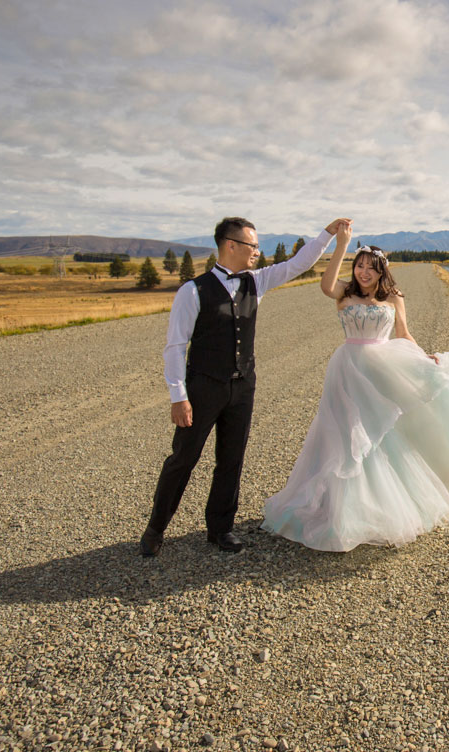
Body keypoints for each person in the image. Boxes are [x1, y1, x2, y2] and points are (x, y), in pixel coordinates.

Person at [262, 227, 449, 551]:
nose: (363, 272)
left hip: (382, 368)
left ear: (381, 271)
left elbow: (404, 333)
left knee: (380, 435)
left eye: (370, 267)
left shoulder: (393, 298)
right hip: (348, 370)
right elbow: (325, 284)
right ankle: (336, 512)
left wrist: (424, 358)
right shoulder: (343, 294)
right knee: (344, 434)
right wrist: (340, 244)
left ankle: (378, 510)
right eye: (359, 265)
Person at [140, 215, 350, 557]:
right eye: (252, 245)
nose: (257, 251)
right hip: (203, 388)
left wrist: (328, 234)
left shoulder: (257, 281)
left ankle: (220, 529)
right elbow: (176, 347)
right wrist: (178, 396)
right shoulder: (192, 291)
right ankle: (155, 528)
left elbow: (299, 263)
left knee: (231, 459)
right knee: (183, 458)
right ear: (231, 245)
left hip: (242, 387)